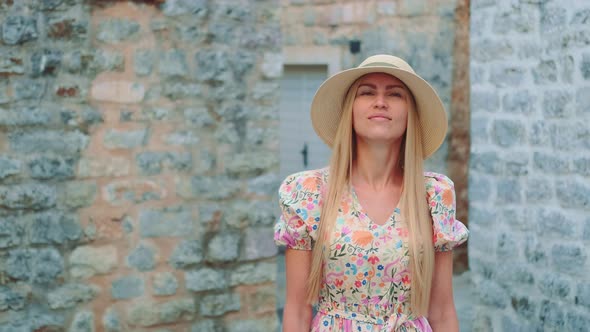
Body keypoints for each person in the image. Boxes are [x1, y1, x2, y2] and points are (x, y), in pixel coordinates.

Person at [274, 54, 469, 332]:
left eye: (395, 94)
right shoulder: (310, 193)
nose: (380, 101)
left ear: (409, 113)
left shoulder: (434, 196)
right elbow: (297, 311)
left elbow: (442, 311)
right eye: (366, 92)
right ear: (350, 111)